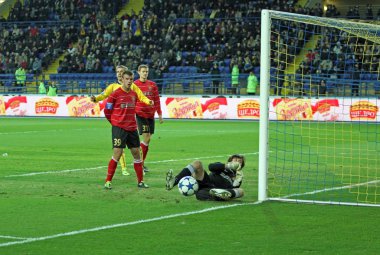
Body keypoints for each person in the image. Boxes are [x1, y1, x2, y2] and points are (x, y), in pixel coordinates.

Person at [103, 70, 153, 189]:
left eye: (131, 79)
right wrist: (114, 123)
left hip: (132, 128)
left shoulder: (133, 94)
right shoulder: (115, 94)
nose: (129, 81)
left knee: (137, 154)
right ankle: (108, 181)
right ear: (122, 79)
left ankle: (140, 181)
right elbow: (107, 111)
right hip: (119, 128)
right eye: (127, 79)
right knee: (117, 153)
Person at [91, 65, 132, 176]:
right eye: (117, 71)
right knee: (119, 146)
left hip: (129, 119)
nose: (119, 73)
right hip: (118, 120)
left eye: (121, 71)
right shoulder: (113, 86)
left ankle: (141, 165)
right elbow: (103, 95)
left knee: (135, 147)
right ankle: (124, 168)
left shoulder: (131, 87)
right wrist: (95, 99)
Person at [166, 154, 246, 201]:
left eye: (239, 161)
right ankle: (174, 181)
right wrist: (228, 166)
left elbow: (233, 187)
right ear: (230, 161)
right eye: (235, 159)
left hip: (217, 190)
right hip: (207, 182)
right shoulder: (222, 166)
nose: (237, 162)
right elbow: (211, 167)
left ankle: (219, 195)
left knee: (241, 191)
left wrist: (237, 180)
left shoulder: (238, 176)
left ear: (241, 166)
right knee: (197, 163)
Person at [134, 64, 163, 173]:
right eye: (143, 71)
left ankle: (141, 162)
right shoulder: (135, 85)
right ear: (138, 72)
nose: (145, 73)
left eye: (146, 71)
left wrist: (159, 114)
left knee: (148, 140)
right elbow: (132, 99)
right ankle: (140, 163)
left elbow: (156, 100)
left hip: (151, 115)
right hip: (141, 114)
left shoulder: (153, 85)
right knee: (146, 138)